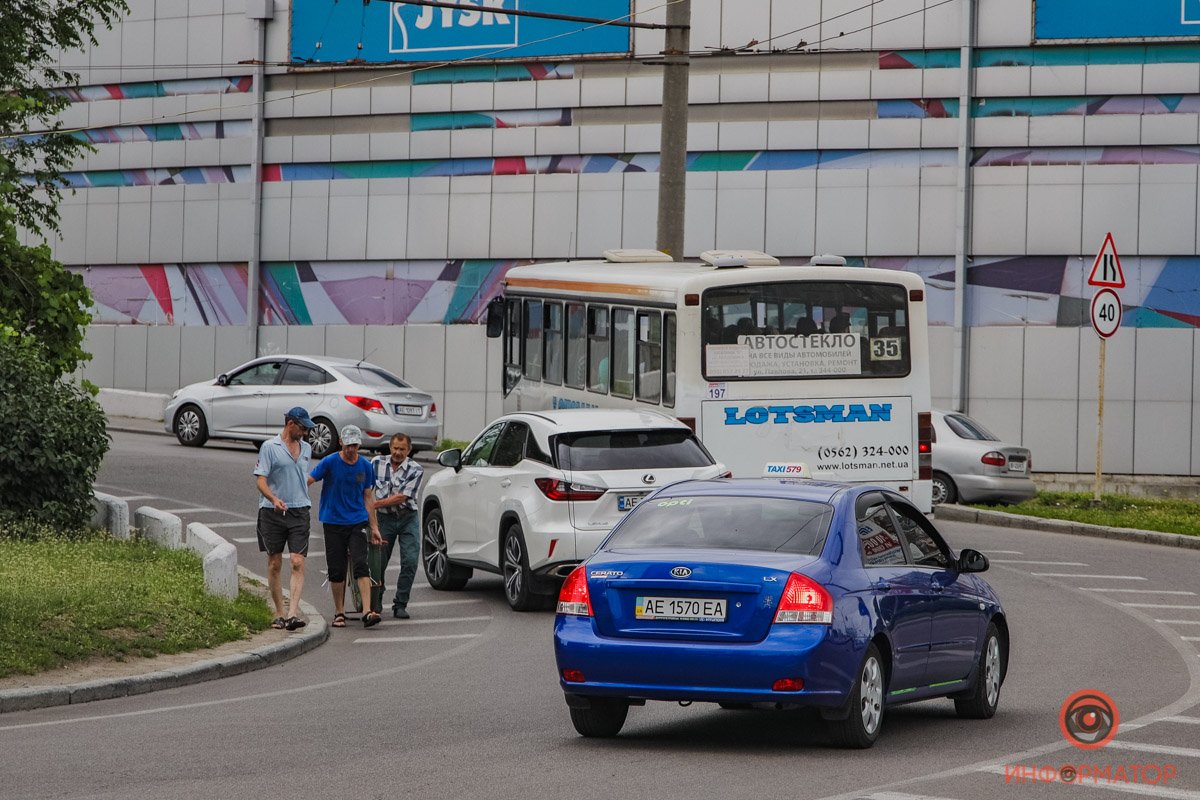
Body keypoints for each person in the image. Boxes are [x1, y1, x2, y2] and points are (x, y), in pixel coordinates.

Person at [307, 424, 384, 629]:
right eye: (348, 445)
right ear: (341, 442)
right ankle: (339, 612)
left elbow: (369, 497)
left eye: (355, 445)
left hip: (357, 521)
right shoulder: (330, 462)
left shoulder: (365, 466)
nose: (351, 449)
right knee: (337, 569)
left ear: (359, 445)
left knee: (361, 564)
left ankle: (367, 611)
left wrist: (374, 527)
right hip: (333, 521)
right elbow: (310, 479)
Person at [253, 406, 316, 631]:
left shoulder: (306, 448)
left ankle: (292, 614)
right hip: (272, 512)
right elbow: (261, 480)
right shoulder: (270, 447)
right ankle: (279, 613)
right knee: (274, 563)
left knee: (298, 561)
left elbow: (300, 476)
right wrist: (273, 498)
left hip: (299, 511)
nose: (306, 433)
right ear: (291, 424)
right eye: (303, 428)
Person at [371, 433, 424, 619]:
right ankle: (376, 600)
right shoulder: (376, 463)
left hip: (407, 517)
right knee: (378, 562)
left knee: (410, 560)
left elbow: (402, 496)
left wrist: (374, 504)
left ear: (409, 450)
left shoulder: (416, 469)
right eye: (395, 448)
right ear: (390, 447)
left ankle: (400, 603)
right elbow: (367, 489)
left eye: (402, 449)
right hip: (384, 519)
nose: (397, 452)